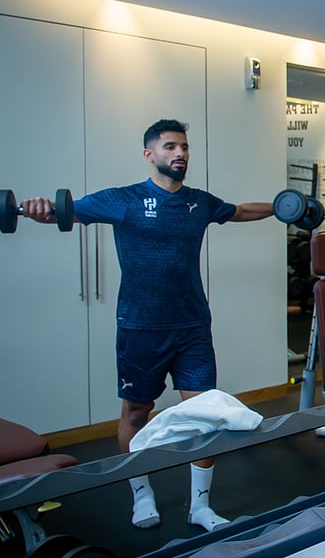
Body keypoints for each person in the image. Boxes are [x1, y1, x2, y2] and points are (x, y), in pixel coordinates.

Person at [20, 119, 274, 532]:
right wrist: (34, 209)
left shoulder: (199, 203)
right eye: (170, 146)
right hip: (140, 327)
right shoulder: (123, 200)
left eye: (184, 147)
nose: (180, 153)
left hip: (192, 326)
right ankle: (141, 493)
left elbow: (241, 211)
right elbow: (63, 211)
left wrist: (284, 207)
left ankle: (200, 506)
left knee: (205, 414)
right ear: (149, 154)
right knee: (136, 412)